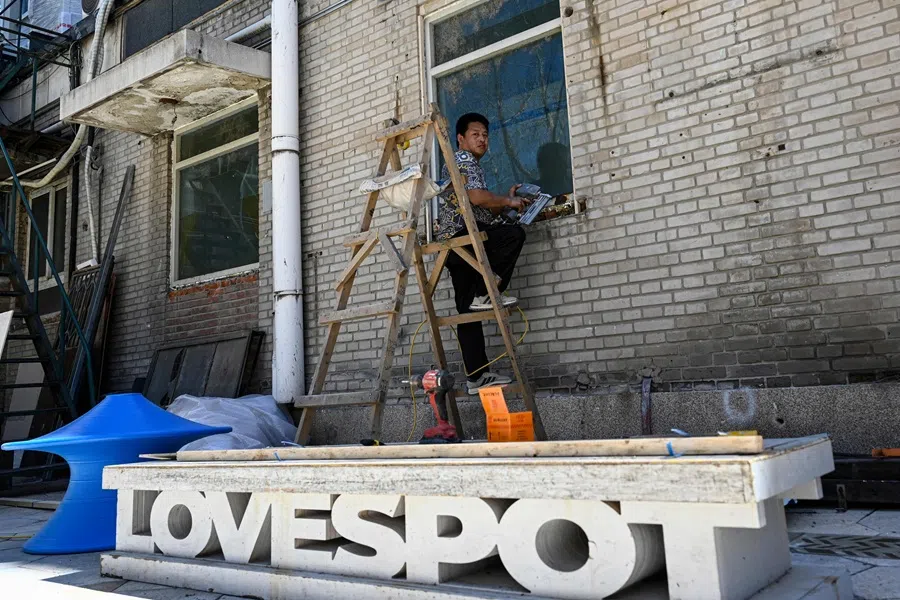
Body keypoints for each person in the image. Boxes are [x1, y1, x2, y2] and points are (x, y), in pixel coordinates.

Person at [434, 113, 530, 395]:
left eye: (486, 135)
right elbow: (476, 197)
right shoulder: (464, 160)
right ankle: (486, 292)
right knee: (514, 235)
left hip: (455, 245)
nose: (482, 139)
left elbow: (480, 205)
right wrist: (508, 200)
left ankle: (477, 377)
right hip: (463, 239)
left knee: (467, 312)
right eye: (475, 134)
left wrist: (503, 201)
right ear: (460, 138)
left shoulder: (460, 164)